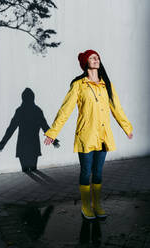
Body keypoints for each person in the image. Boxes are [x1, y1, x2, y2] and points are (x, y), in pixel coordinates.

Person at [44, 50, 133, 219]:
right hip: (86, 135)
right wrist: (53, 132)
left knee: (98, 173)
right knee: (86, 172)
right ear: (86, 62)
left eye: (97, 57)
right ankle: (85, 206)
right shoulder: (79, 85)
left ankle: (97, 204)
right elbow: (65, 110)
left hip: (103, 136)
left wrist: (126, 127)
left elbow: (117, 108)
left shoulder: (107, 84)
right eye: (92, 57)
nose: (96, 59)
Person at [0, 88, 60, 172]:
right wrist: (54, 141)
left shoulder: (20, 111)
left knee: (25, 170)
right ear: (33, 98)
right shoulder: (37, 110)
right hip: (34, 144)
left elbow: (11, 129)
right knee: (34, 169)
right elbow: (45, 127)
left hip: (22, 145)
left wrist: (2, 143)